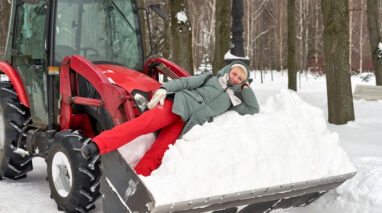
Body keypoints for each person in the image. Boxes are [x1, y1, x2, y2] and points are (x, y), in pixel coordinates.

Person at [81, 60, 260, 176]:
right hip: (175, 106)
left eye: (240, 78)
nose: (235, 78)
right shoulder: (209, 78)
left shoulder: (232, 100)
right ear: (229, 70)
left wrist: (245, 87)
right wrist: (164, 89)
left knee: (159, 152)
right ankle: (97, 145)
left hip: (184, 125)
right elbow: (185, 82)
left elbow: (253, 108)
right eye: (235, 73)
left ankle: (137, 181)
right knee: (140, 125)